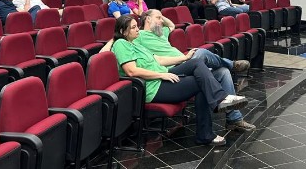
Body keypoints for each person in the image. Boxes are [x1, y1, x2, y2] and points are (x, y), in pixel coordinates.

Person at [104, 15, 248, 145]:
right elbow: (131, 71)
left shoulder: (134, 43)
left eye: (137, 26)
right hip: (153, 87)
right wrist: (160, 75)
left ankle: (217, 106)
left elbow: (158, 59)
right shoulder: (120, 44)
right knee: (200, 84)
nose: (137, 29)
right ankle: (207, 130)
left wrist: (184, 58)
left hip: (163, 75)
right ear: (123, 31)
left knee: (196, 62)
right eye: (133, 27)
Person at [134, 10, 255, 131]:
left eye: (162, 18)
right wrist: (146, 15)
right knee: (200, 53)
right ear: (148, 19)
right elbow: (125, 43)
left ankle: (234, 119)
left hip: (184, 63)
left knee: (223, 72)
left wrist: (159, 15)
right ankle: (231, 64)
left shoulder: (161, 33)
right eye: (158, 18)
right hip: (173, 69)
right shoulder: (139, 36)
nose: (161, 21)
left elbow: (171, 25)